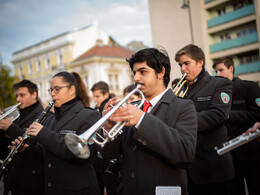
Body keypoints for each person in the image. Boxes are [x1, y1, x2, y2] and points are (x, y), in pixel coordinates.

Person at [100, 48, 197, 195]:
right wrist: (107, 126)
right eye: (135, 73)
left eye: (143, 72)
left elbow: (185, 153)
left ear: (161, 72)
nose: (136, 78)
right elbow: (110, 154)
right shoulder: (132, 107)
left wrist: (142, 120)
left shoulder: (183, 106)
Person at [25, 71, 100, 194]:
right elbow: (43, 158)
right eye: (51, 90)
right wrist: (25, 151)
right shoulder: (49, 119)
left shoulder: (89, 115)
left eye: (57, 89)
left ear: (71, 89)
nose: (53, 94)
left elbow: (82, 155)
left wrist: (44, 134)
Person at [175, 44, 234, 195]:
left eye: (186, 63)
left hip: (212, 168)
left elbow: (217, 115)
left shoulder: (220, 83)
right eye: (180, 65)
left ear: (200, 62)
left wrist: (180, 120)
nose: (182, 69)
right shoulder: (182, 89)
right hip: (187, 168)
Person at [213, 57, 260, 195]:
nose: (218, 74)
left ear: (231, 69)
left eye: (221, 70)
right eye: (216, 71)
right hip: (229, 154)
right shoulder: (217, 92)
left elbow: (257, 115)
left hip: (251, 152)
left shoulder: (249, 87)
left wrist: (230, 115)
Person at [0, 80, 45, 195]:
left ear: (34, 94)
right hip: (14, 180)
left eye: (22, 95)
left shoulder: (44, 115)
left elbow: (35, 145)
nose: (18, 99)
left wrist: (10, 127)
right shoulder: (17, 116)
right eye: (17, 96)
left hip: (32, 181)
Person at [91, 81, 120, 195]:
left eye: (97, 96)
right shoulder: (95, 110)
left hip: (109, 161)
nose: (95, 99)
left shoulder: (110, 108)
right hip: (98, 160)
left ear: (106, 95)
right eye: (94, 96)